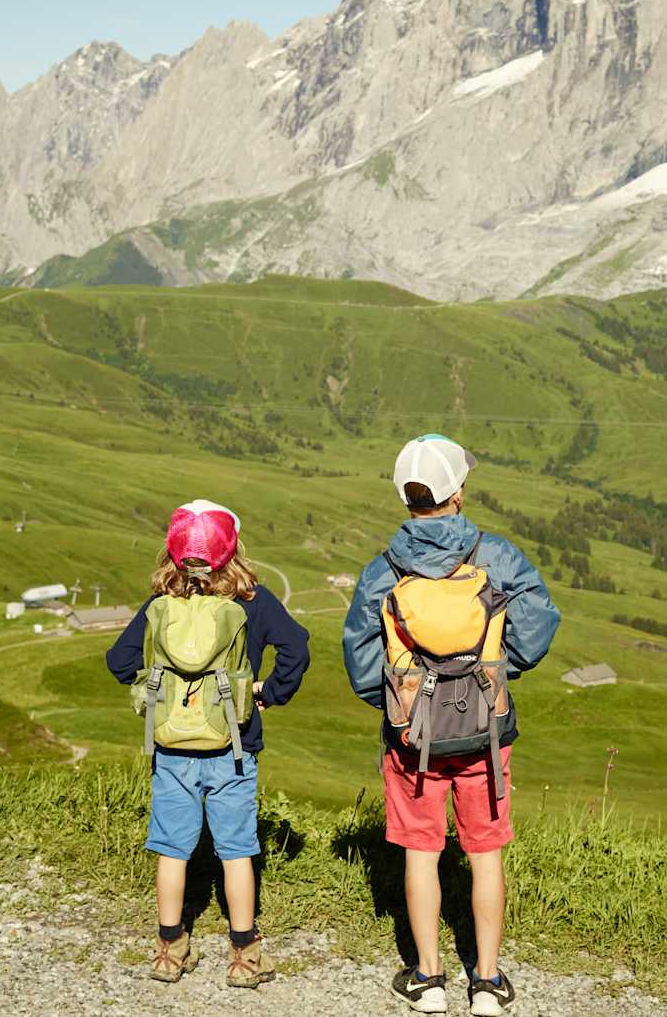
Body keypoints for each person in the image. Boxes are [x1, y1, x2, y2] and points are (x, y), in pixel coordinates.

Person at [343, 435, 560, 1016]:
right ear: (457, 494)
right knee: (484, 853)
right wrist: (495, 674)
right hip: (485, 732)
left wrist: (398, 703)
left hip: (413, 736)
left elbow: (362, 660)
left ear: (405, 498)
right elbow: (538, 625)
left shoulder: (383, 570)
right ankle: (486, 984)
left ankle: (429, 979)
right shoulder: (497, 557)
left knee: (421, 852)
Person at [107, 499, 310, 989]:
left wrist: (161, 688)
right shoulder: (252, 601)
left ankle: (169, 952)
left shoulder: (162, 604)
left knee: (173, 850)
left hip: (172, 747)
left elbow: (119, 661)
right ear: (232, 548)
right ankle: (244, 956)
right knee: (236, 850)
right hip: (234, 747)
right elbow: (296, 647)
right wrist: (267, 694)